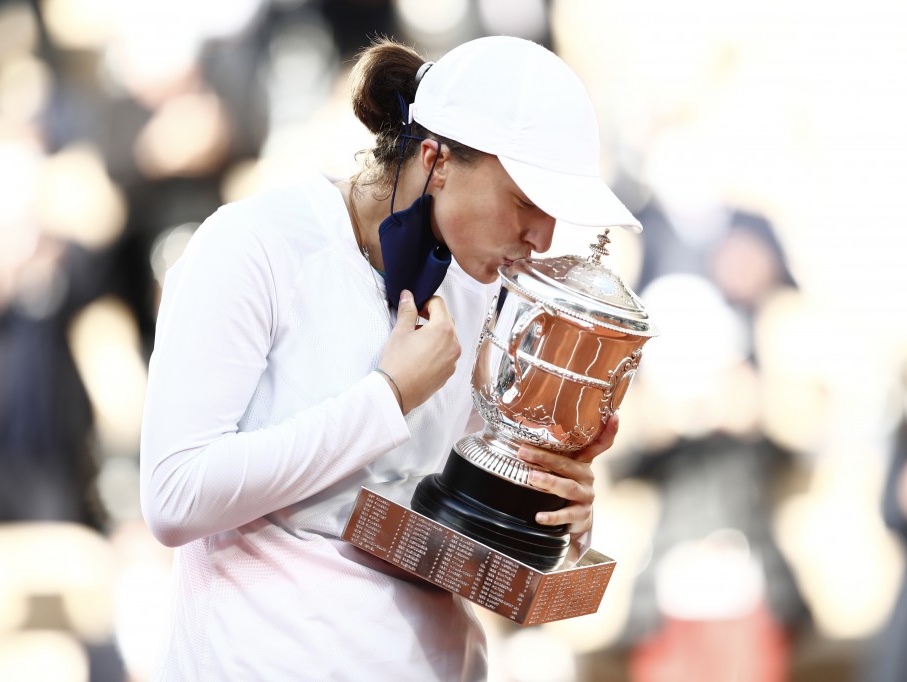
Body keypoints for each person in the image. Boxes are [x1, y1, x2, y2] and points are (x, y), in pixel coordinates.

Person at [139, 35, 641, 680]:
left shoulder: (480, 286)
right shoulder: (255, 244)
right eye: (525, 202)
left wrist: (545, 512)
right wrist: (387, 395)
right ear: (435, 161)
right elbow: (174, 497)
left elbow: (442, 528)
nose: (542, 237)